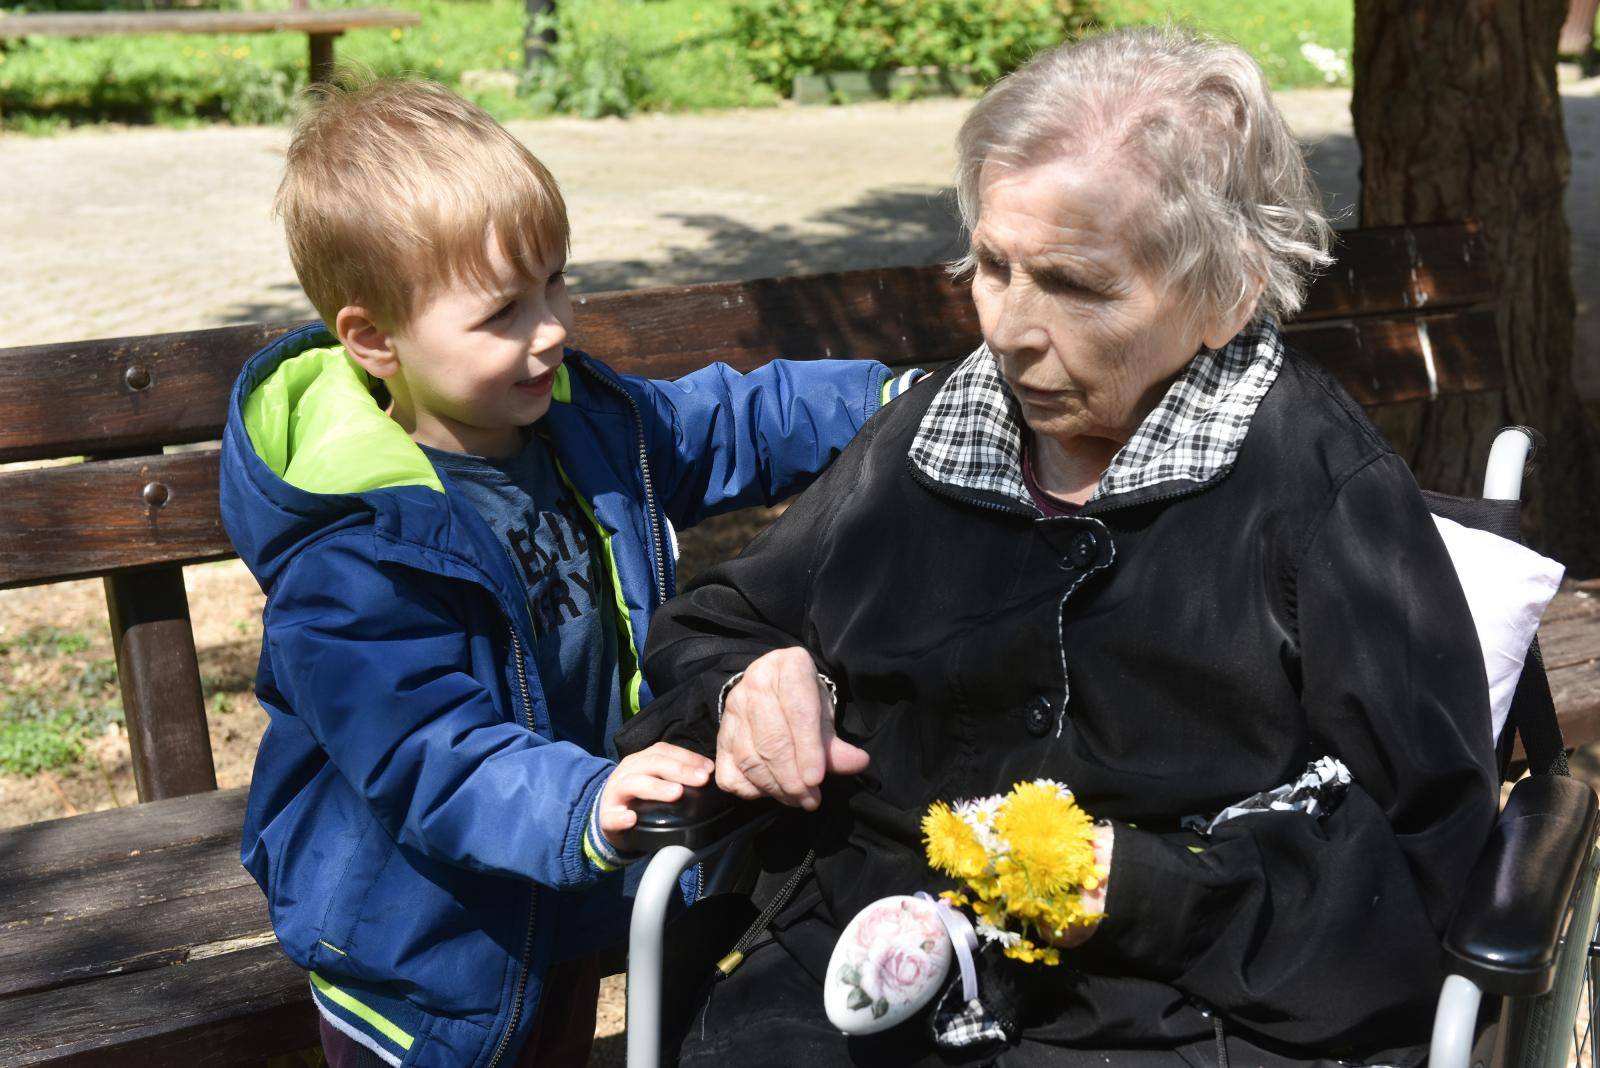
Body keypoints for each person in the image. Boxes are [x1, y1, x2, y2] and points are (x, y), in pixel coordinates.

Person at [617, 26, 1500, 1066]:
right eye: (992, 265)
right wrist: (745, 686)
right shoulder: (933, 430)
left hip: (1171, 1013)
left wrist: (1144, 893)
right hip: (864, 969)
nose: (1008, 328)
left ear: (1226, 292)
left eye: (1076, 285)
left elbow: (1421, 852)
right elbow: (713, 627)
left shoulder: (1315, 489)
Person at [217, 74, 922, 1068]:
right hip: (428, 951)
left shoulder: (576, 425)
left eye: (555, 282)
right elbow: (431, 754)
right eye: (502, 310)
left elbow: (729, 420)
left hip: (563, 887)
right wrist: (584, 804)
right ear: (374, 339)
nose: (549, 328)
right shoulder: (355, 550)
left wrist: (896, 400)